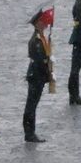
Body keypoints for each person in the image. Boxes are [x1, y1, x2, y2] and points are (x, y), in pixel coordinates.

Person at [22, 9, 52, 144]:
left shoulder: (40, 38)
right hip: (36, 75)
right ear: (38, 23)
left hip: (38, 74)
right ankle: (29, 133)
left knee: (33, 104)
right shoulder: (36, 41)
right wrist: (48, 73)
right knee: (31, 105)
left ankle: (30, 132)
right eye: (43, 22)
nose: (46, 23)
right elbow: (40, 60)